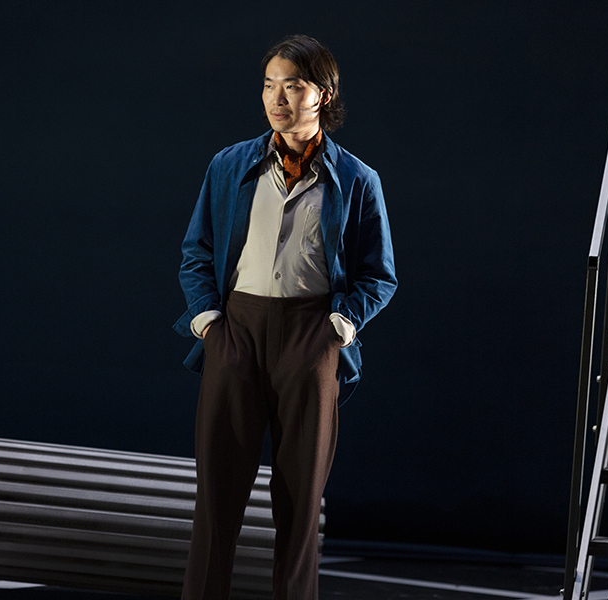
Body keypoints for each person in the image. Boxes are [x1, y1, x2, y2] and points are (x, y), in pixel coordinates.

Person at [173, 34, 397, 600]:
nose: (277, 98)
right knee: (216, 497)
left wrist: (338, 329)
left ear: (323, 94)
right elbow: (197, 252)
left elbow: (379, 275)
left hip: (311, 337)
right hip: (236, 333)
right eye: (269, 85)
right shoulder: (229, 165)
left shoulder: (358, 179)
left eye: (293, 86)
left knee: (300, 502)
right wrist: (209, 323)